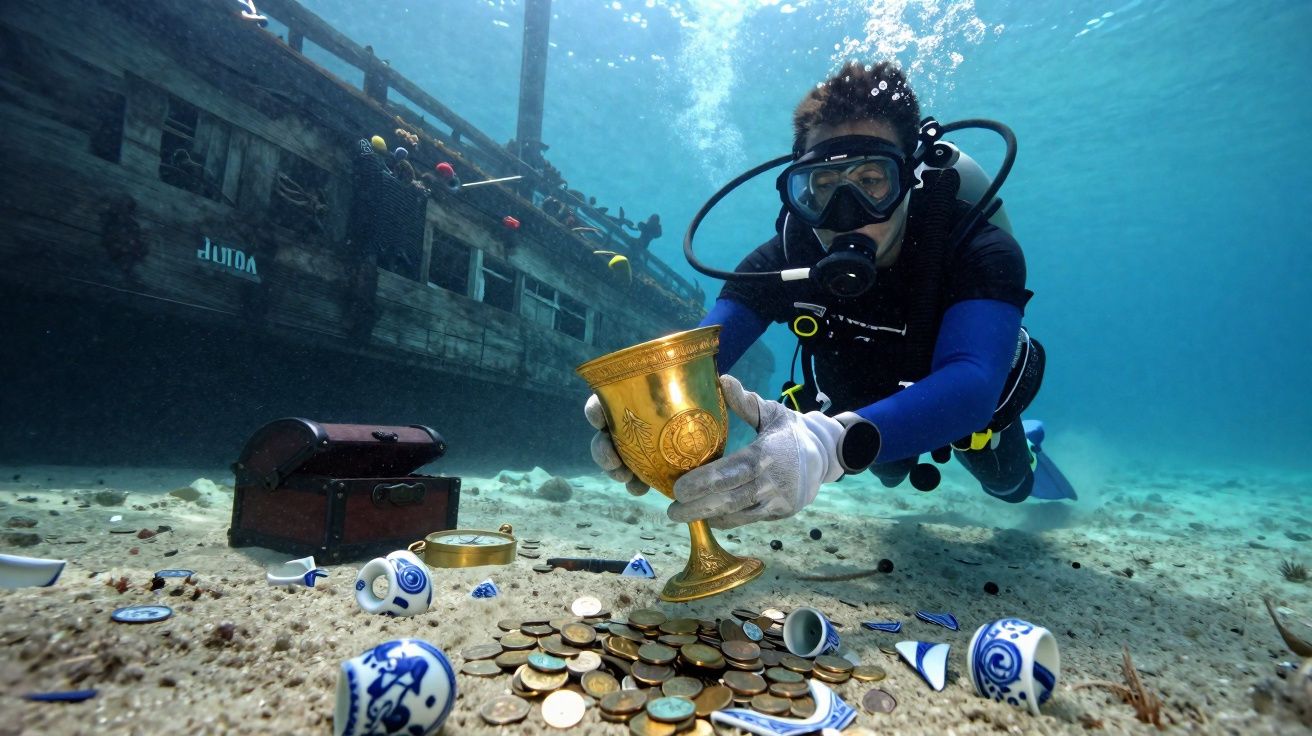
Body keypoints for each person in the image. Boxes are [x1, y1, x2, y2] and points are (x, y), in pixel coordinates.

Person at [586, 61, 1073, 531]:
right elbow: (703, 352)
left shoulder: (975, 246)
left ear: (905, 178)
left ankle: (1027, 446)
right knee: (887, 468)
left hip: (962, 407)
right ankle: (871, 445)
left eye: (870, 182)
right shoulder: (784, 257)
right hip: (866, 411)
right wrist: (645, 405)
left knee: (1007, 483)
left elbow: (972, 383)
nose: (847, 213)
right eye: (822, 186)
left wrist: (825, 444)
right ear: (798, 193)